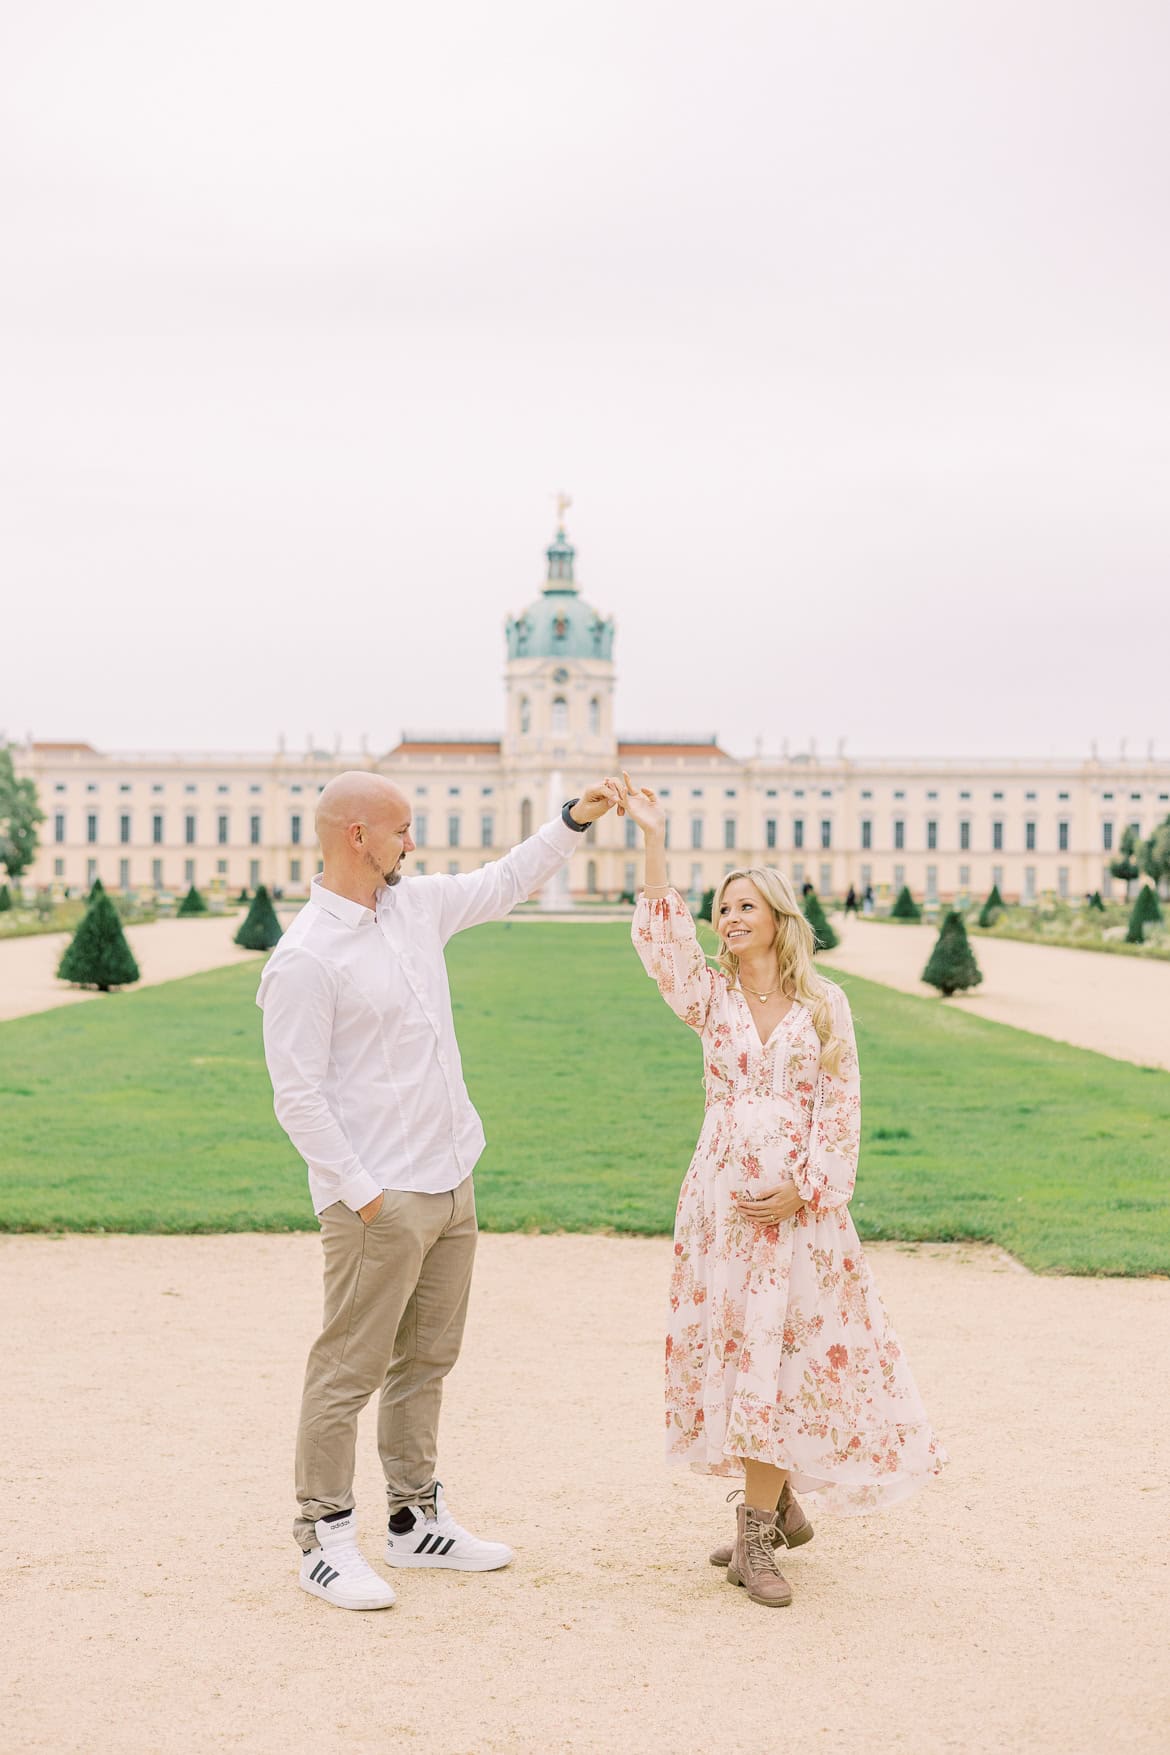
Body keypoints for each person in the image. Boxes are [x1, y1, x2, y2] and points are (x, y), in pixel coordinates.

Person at [258, 769, 620, 1611]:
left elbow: (506, 880)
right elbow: (298, 1096)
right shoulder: (307, 956)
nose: (411, 842)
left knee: (426, 1359)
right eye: (401, 829)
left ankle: (415, 1520)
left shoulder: (413, 907)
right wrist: (364, 1193)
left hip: (452, 1177)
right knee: (348, 1368)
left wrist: (571, 819)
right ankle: (323, 1535)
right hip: (380, 1197)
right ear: (356, 835)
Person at [620, 773, 946, 1609]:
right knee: (743, 1352)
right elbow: (662, 943)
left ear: (777, 919)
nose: (728, 920)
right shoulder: (711, 997)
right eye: (721, 909)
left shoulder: (824, 1004)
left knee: (784, 1354)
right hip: (724, 1208)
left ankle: (756, 1535)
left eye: (743, 908)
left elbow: (842, 1107)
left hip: (800, 1214)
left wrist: (808, 1190)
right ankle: (777, 1505)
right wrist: (653, 837)